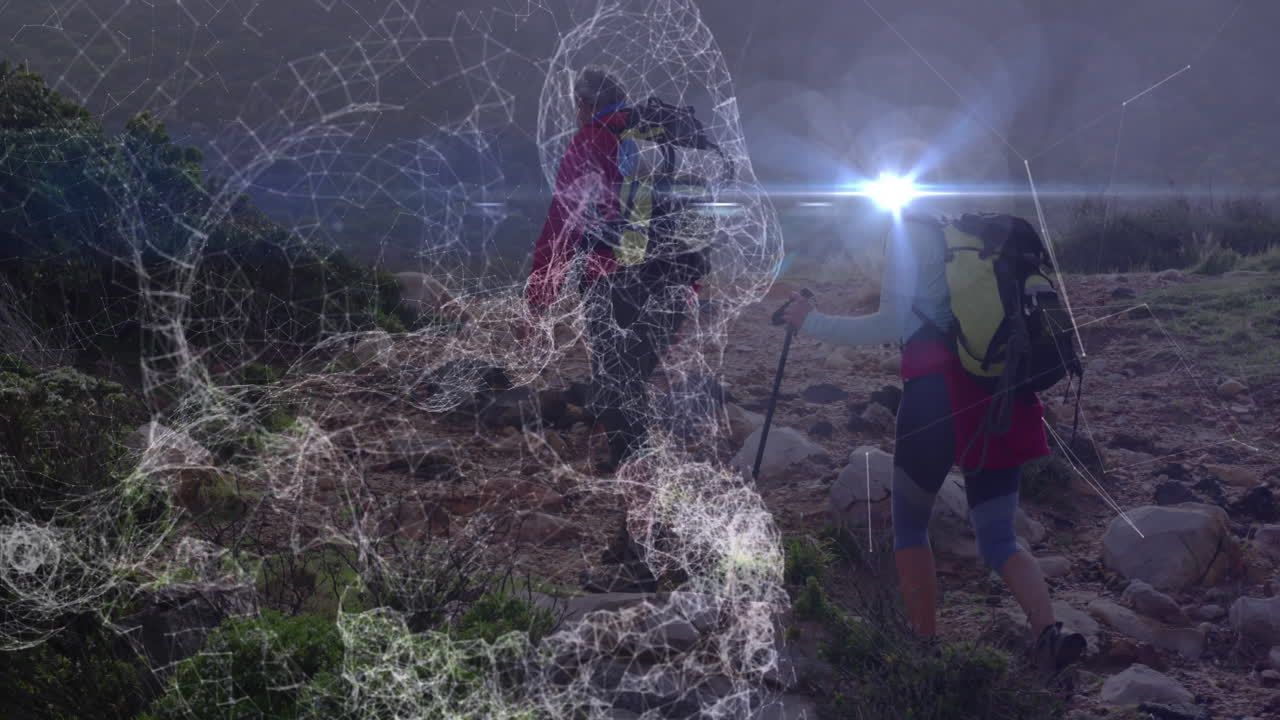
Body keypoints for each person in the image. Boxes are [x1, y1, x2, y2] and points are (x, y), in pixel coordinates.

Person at [779, 211, 1086, 680]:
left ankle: (924, 644)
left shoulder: (908, 234)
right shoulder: (969, 240)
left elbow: (890, 323)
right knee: (998, 536)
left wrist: (810, 320)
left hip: (933, 397)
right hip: (997, 393)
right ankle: (1049, 634)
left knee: (910, 524)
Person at [522, 68, 694, 474]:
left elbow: (562, 224)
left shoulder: (591, 141)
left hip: (613, 277)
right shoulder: (664, 141)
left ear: (583, 104)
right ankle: (631, 456)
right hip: (675, 279)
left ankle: (633, 474)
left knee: (618, 379)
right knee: (629, 374)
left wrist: (537, 301)